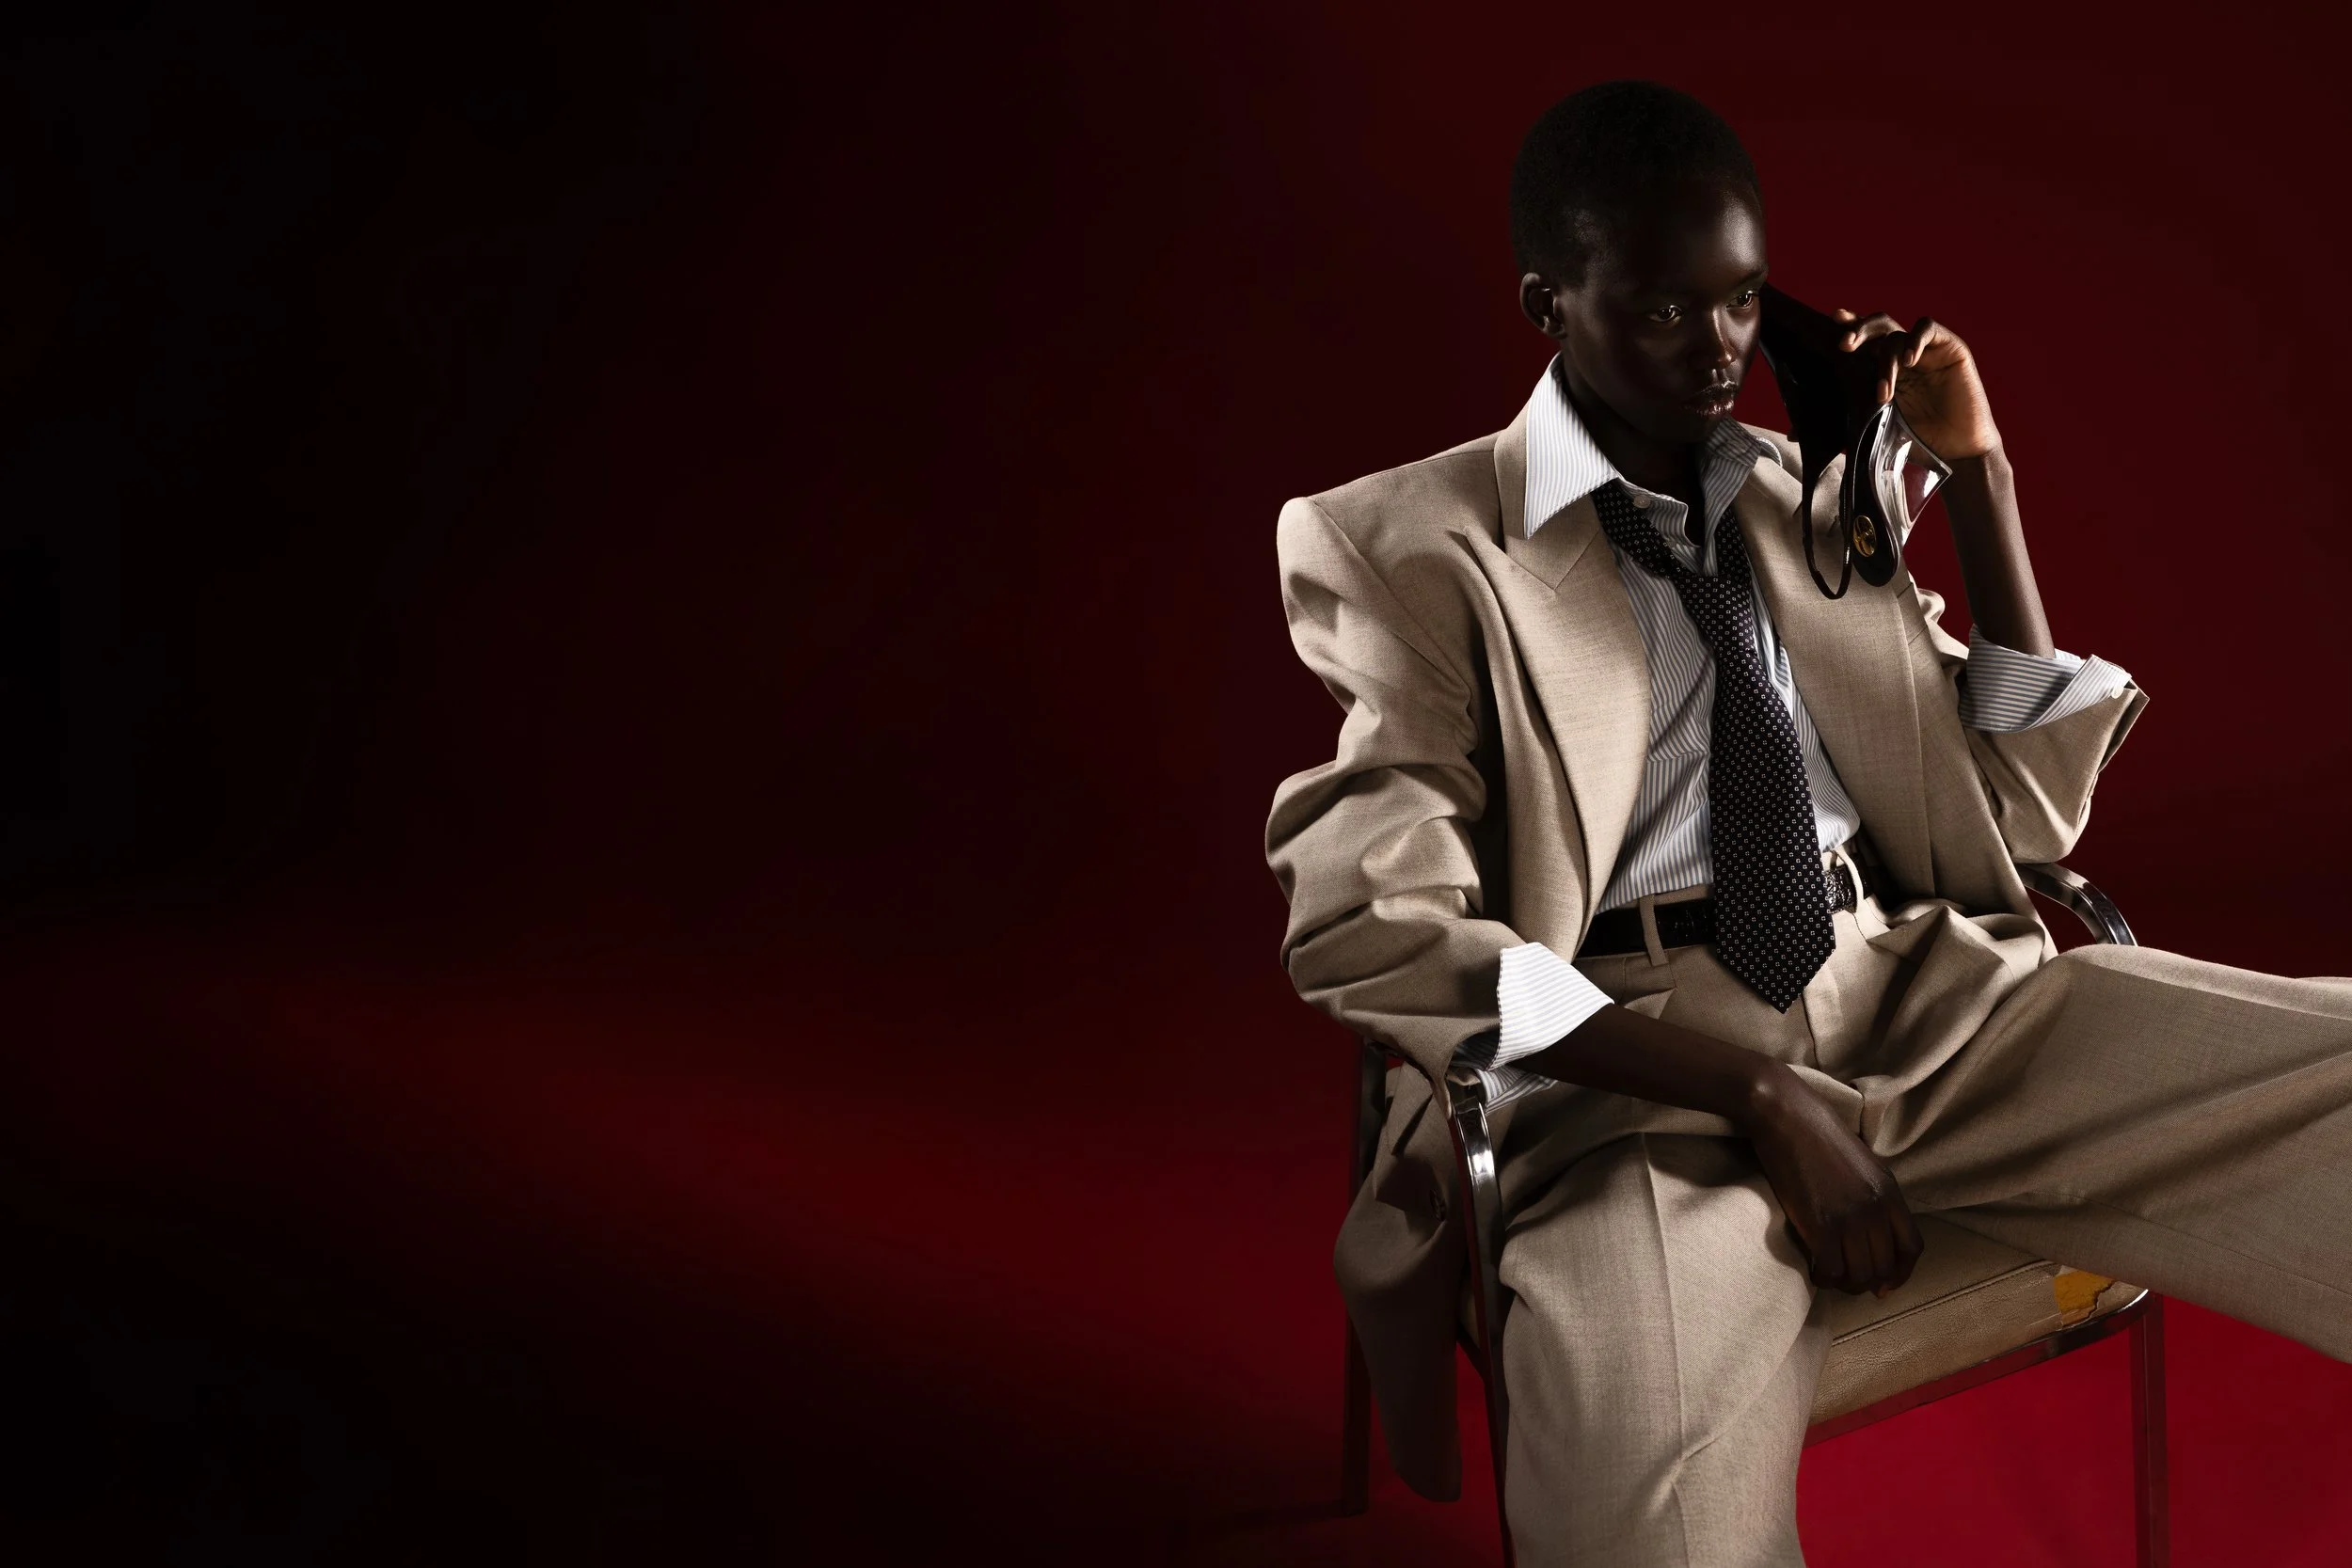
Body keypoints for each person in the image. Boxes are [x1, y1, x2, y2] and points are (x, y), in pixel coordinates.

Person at [1264, 78, 2352, 1567]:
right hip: (1638, 1087)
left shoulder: (1794, 491)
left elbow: (2024, 817)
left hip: (1919, 1000)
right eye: (1663, 311)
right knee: (1656, 1513)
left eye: (1743, 303)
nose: (1719, 353)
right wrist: (1754, 1094)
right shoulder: (1413, 546)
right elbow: (1368, 918)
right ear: (1548, 301)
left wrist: (1978, 480)